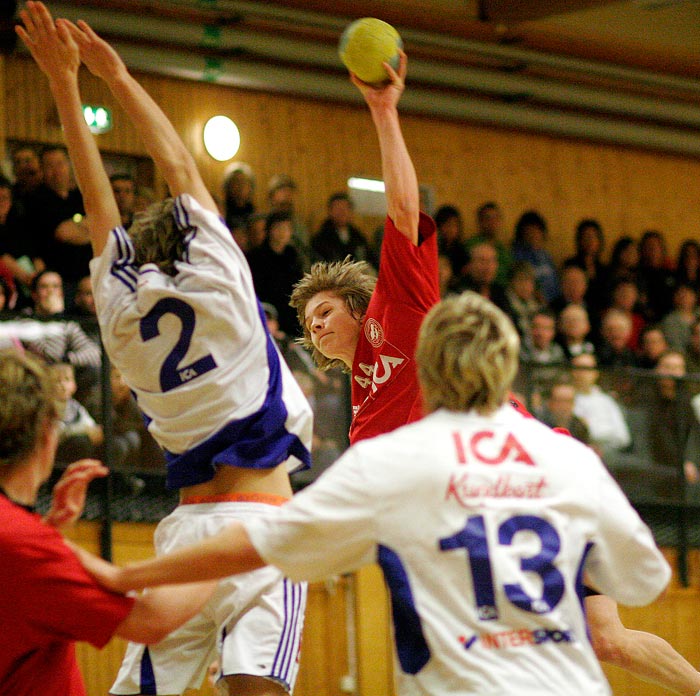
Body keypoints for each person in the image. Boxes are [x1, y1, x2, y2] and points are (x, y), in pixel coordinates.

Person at [79, 291, 672, 696]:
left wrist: (124, 579)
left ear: (423, 367)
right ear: (511, 366)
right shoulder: (570, 457)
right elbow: (645, 580)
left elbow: (260, 540)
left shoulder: (394, 459)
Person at [17, 6, 313, 696]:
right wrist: (111, 72)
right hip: (262, 530)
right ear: (195, 236)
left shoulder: (118, 314)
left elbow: (96, 205)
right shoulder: (222, 279)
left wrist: (63, 86)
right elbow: (176, 161)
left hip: (184, 537)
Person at [0, 347, 216, 695]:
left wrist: (47, 532)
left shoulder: (22, 538)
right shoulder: (22, 543)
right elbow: (151, 620)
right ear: (46, 434)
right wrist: (229, 540)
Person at [290, 52, 439, 445]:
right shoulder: (360, 417)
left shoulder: (395, 304)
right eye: (310, 324)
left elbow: (405, 209)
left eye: (324, 311)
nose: (316, 325)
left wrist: (384, 110)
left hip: (517, 457)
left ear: (358, 308)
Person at [312, 191, 375, 266]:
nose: (342, 212)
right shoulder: (320, 239)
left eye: (345, 208)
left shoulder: (358, 237)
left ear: (351, 211)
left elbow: (370, 259)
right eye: (337, 209)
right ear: (330, 211)